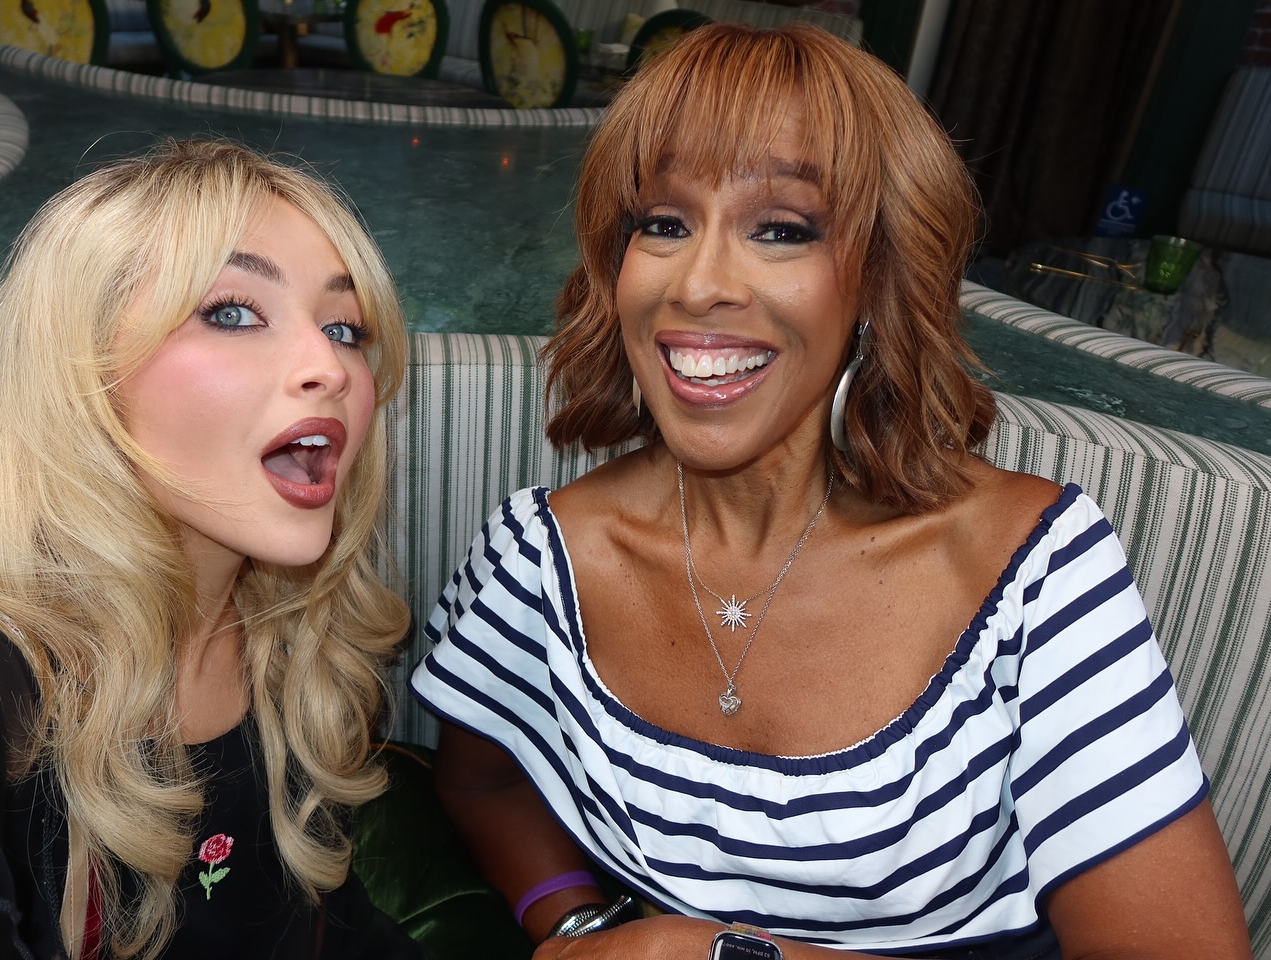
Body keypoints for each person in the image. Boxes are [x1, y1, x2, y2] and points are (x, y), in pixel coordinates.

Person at [410, 22, 1251, 960]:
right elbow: (484, 783)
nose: (699, 283)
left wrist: (706, 955)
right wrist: (576, 924)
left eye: (781, 229)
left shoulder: (1036, 575)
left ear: (879, 278)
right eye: (663, 223)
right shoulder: (538, 558)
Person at [0, 138, 421, 959]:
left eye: (345, 327)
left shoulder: (296, 641)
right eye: (233, 312)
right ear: (83, 377)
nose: (330, 366)